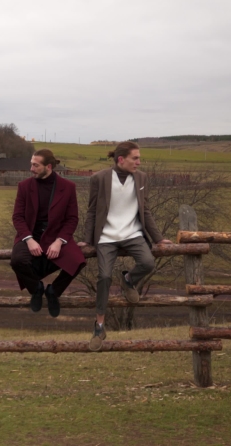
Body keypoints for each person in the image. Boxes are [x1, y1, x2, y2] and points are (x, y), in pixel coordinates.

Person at [78, 141, 173, 351]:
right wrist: (86, 239)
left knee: (148, 263)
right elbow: (92, 211)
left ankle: (129, 279)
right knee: (103, 277)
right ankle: (99, 326)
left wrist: (158, 239)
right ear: (121, 159)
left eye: (139, 158)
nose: (139, 162)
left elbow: (145, 210)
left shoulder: (141, 178)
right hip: (106, 237)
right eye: (135, 158)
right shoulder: (99, 178)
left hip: (133, 233)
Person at [10, 149, 86, 317]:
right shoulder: (24, 186)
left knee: (78, 261)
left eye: (36, 165)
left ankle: (53, 292)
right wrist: (29, 239)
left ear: (48, 166)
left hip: (55, 235)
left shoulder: (68, 187)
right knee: (17, 260)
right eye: (31, 164)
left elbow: (72, 219)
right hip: (30, 233)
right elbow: (17, 217)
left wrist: (59, 241)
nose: (31, 168)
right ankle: (36, 288)